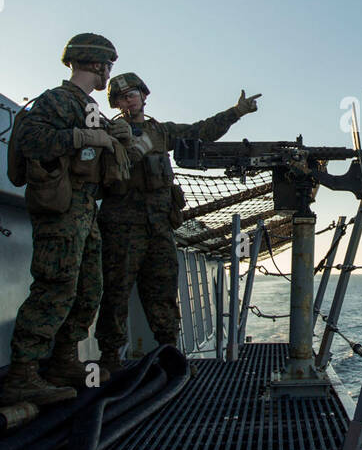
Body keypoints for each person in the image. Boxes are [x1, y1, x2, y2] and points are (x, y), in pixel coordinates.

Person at [95, 73, 260, 372]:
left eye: (132, 93)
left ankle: (169, 355)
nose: (127, 100)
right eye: (120, 98)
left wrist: (236, 112)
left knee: (163, 290)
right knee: (115, 290)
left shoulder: (161, 133)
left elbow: (201, 131)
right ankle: (108, 361)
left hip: (159, 226)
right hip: (121, 226)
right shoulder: (107, 132)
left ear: (144, 96)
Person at [1, 33, 132, 405]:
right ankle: (23, 374)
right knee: (54, 287)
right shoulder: (57, 100)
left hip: (85, 210)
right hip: (61, 210)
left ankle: (63, 361)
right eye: (108, 66)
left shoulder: (86, 105)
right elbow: (31, 139)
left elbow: (105, 145)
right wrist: (83, 136)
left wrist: (114, 134)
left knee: (89, 289)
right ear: (96, 64)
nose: (109, 73)